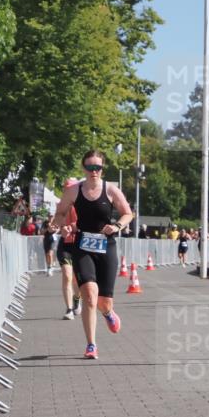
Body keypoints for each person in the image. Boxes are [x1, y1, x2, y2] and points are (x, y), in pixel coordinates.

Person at [52, 151, 133, 359]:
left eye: (98, 167)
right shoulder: (73, 191)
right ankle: (91, 345)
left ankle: (108, 312)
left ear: (102, 169)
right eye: (90, 167)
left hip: (106, 246)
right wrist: (62, 227)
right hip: (83, 246)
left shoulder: (111, 190)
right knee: (89, 294)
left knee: (103, 302)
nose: (94, 171)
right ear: (84, 168)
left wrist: (117, 226)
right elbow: (60, 214)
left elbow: (127, 213)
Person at [55, 179, 82, 320]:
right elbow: (57, 219)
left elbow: (85, 222)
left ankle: (77, 299)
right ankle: (69, 309)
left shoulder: (82, 204)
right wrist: (59, 227)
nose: (67, 191)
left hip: (79, 244)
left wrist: (72, 226)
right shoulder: (61, 205)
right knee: (67, 276)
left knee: (77, 280)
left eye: (70, 188)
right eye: (65, 188)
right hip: (65, 244)